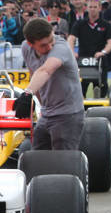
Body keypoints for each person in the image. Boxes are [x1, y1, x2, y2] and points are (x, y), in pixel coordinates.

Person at [15, 17, 84, 150]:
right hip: (47, 114)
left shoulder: (61, 47)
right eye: (43, 45)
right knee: (37, 157)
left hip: (68, 114)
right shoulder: (26, 48)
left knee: (63, 162)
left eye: (51, 41)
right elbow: (34, 74)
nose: (49, 47)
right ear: (30, 44)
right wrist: (38, 102)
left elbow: (46, 70)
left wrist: (28, 93)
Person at [68, 0, 111, 96]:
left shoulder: (106, 24)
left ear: (99, 8)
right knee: (81, 88)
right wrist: (72, 52)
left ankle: (98, 105)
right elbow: (71, 38)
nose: (93, 9)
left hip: (99, 61)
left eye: (95, 7)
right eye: (91, 7)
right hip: (83, 60)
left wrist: (103, 52)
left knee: (101, 87)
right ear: (87, 8)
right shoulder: (80, 23)